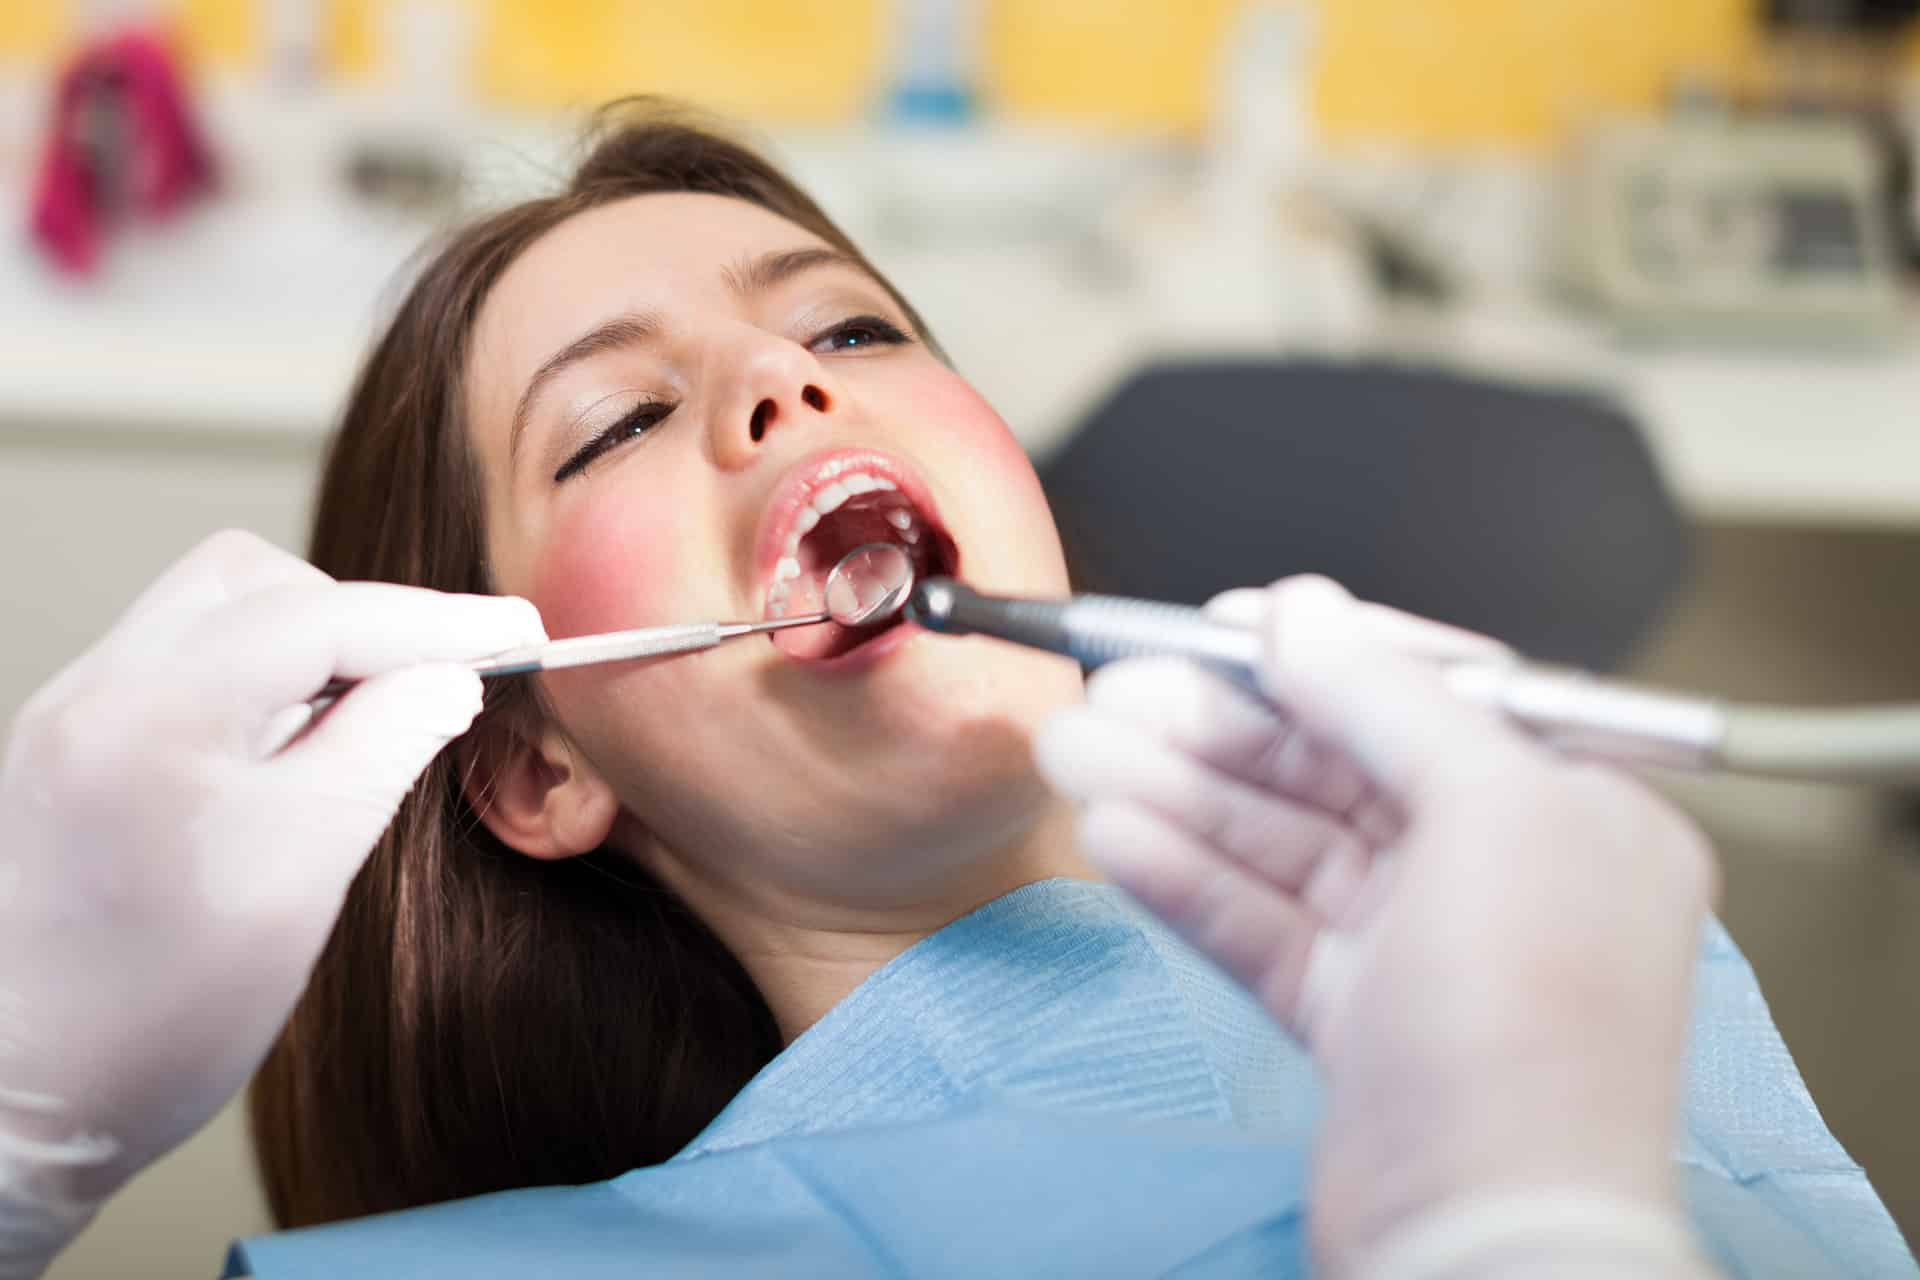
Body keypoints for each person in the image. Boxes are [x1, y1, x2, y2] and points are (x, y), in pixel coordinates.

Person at [0, 102, 1909, 1279]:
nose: (788, 381)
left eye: (851, 327)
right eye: (623, 420)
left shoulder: (1572, 963)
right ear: (531, 760)